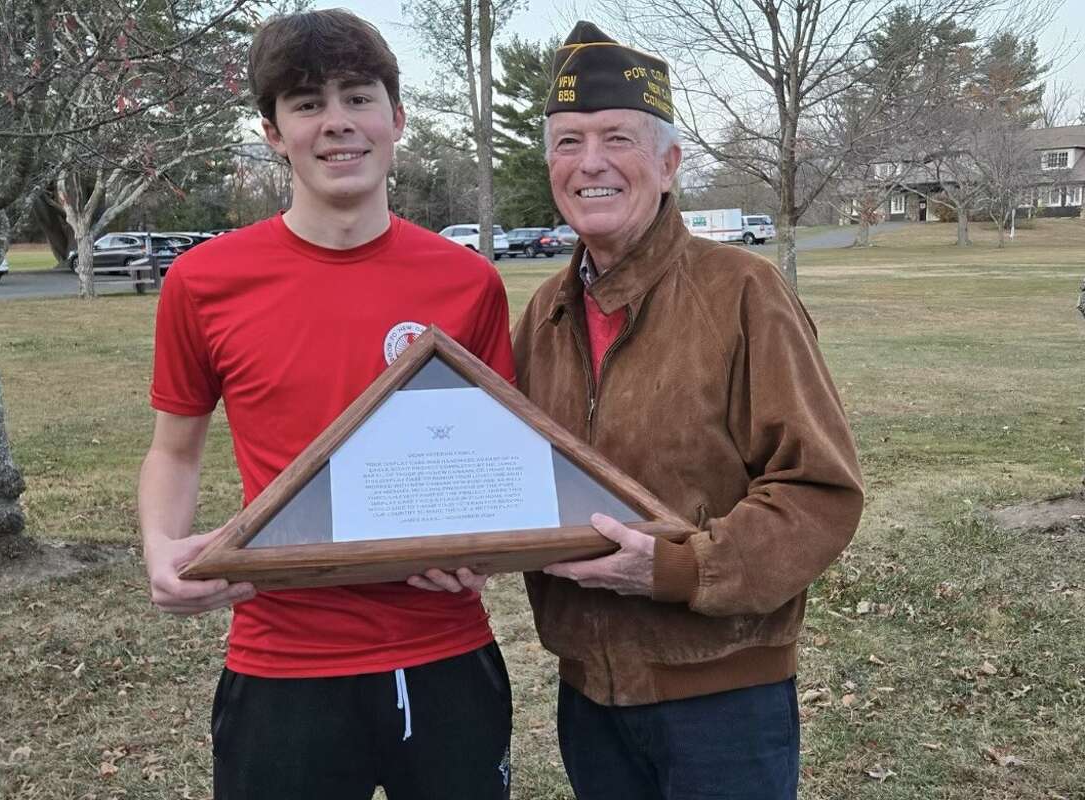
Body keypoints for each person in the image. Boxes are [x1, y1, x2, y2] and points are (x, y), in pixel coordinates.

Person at [137, 10, 513, 799]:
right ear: (273, 132)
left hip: (443, 654)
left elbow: (493, 458)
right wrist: (161, 549)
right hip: (281, 662)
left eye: (358, 97)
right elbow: (175, 448)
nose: (337, 123)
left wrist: (486, 550)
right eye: (306, 104)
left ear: (397, 118)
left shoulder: (468, 281)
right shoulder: (204, 283)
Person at [509, 21, 865, 800]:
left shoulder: (743, 293)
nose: (590, 162)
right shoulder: (544, 315)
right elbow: (509, 479)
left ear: (669, 164)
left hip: (722, 701)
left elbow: (819, 492)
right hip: (588, 697)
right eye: (568, 142)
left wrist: (673, 568)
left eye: (617, 138)